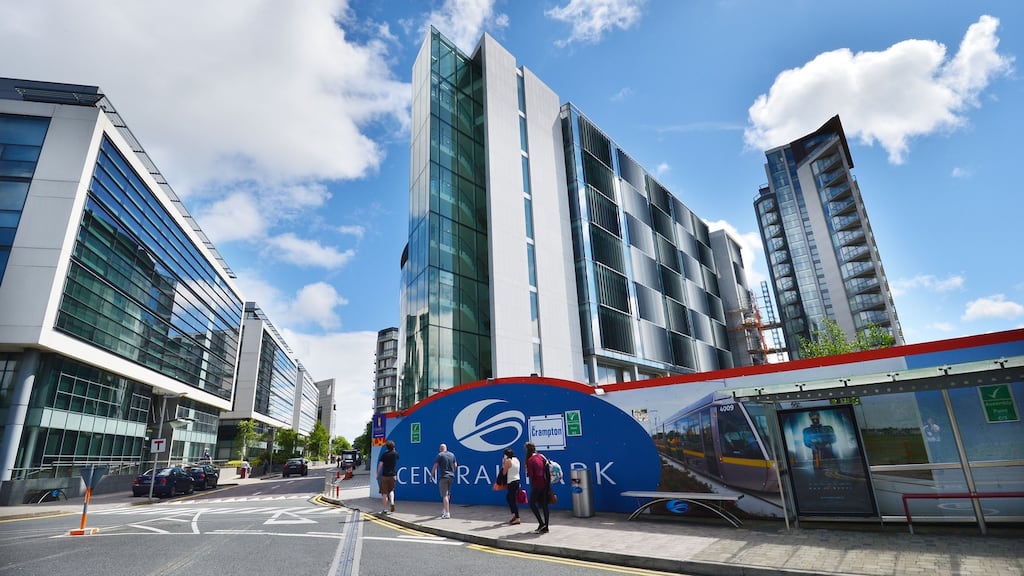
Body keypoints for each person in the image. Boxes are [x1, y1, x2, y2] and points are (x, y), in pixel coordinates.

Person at [524, 442, 549, 534]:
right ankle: (546, 526)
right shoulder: (541, 457)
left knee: (532, 503)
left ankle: (541, 523)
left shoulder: (530, 460)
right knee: (544, 505)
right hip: (545, 483)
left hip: (537, 484)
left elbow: (530, 475)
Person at [430, 443, 458, 519]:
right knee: (448, 494)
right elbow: (455, 465)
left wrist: (431, 475)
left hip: (444, 477)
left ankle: (447, 513)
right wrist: (452, 472)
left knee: (444, 495)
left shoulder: (440, 455)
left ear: (440, 448)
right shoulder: (452, 455)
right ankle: (445, 509)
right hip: (451, 476)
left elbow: (435, 466)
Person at [377, 440, 399, 514]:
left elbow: (380, 465)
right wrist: (393, 450)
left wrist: (377, 474)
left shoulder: (384, 455)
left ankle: (385, 509)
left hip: (385, 476)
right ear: (393, 447)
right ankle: (392, 502)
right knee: (391, 491)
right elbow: (396, 456)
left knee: (384, 493)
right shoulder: (395, 454)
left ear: (386, 447)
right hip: (393, 475)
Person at [502, 448, 521, 525]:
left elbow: (504, 472)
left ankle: (517, 517)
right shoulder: (516, 460)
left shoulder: (507, 461)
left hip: (512, 482)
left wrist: (504, 463)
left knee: (512, 499)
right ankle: (514, 515)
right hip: (517, 480)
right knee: (509, 498)